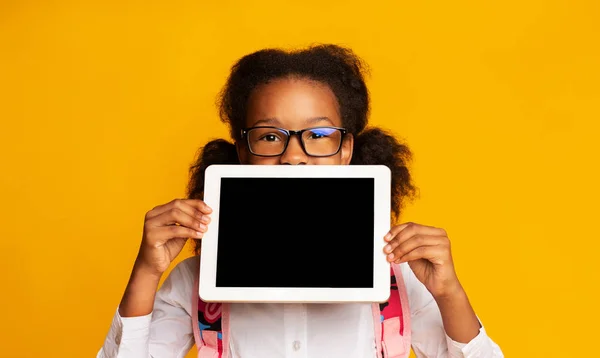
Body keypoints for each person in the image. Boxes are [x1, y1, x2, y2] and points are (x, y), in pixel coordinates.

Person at [97, 44, 503, 358]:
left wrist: (449, 293)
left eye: (319, 136)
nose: (293, 156)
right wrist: (147, 272)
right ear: (242, 152)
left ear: (347, 150)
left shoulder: (398, 278)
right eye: (270, 136)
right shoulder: (196, 281)